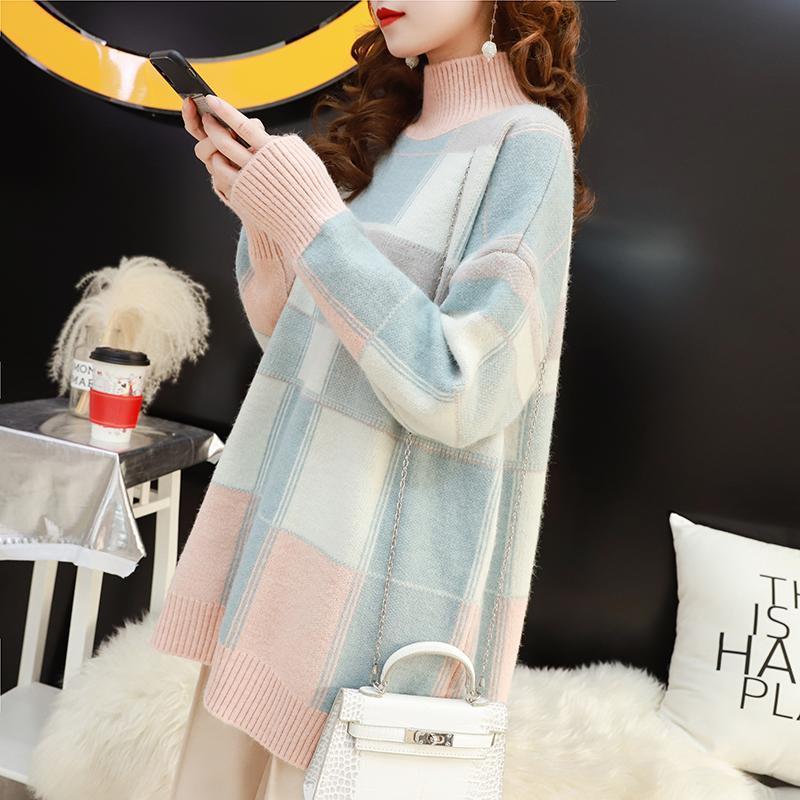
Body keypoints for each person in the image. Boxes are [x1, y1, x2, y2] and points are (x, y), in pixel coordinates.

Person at [156, 1, 594, 797]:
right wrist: (271, 221)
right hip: (274, 571)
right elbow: (307, 353)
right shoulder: (392, 135)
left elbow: (462, 388)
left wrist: (315, 222)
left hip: (370, 626)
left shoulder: (526, 145)